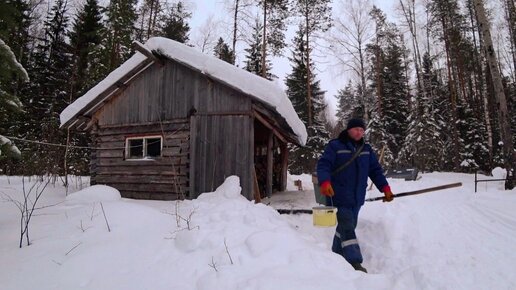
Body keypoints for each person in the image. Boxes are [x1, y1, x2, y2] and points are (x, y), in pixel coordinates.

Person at [316, 118, 394, 273]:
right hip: (339, 195)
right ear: (349, 130)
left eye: (362, 130)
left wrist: (385, 188)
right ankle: (355, 262)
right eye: (356, 129)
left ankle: (336, 252)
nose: (359, 132)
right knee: (348, 227)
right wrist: (325, 182)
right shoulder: (335, 146)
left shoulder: (366, 149)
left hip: (357, 197)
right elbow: (324, 165)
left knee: (347, 226)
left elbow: (375, 171)